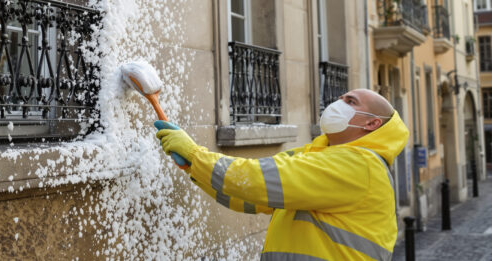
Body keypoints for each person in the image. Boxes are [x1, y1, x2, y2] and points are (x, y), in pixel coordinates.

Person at [155, 89, 408, 261]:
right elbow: (250, 197)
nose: (338, 104)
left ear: (372, 123)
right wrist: (193, 166)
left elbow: (255, 179)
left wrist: (196, 155)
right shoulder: (320, 155)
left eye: (350, 102)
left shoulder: (359, 165)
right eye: (341, 98)